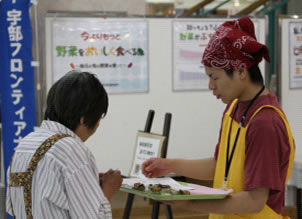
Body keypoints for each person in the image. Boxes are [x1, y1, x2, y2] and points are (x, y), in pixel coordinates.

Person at [142, 17, 295, 219]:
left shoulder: (265, 123)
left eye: (215, 77)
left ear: (241, 71)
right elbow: (219, 165)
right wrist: (170, 165)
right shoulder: (234, 107)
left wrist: (184, 200)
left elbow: (254, 201)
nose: (211, 86)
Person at [6, 70, 122, 218]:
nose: (98, 124)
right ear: (84, 118)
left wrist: (89, 183)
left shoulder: (26, 143)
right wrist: (109, 188)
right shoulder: (71, 149)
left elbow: (14, 205)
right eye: (99, 116)